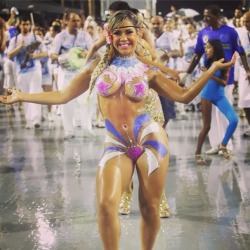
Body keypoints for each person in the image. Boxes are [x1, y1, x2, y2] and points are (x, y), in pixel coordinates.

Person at [0, 10, 236, 250]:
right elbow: (62, 95)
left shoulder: (149, 72)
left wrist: (211, 69)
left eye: (129, 32)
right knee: (105, 205)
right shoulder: (97, 67)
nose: (124, 37)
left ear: (138, 34)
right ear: (109, 36)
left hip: (151, 141)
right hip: (116, 145)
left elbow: (184, 96)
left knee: (150, 207)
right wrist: (21, 95)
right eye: (118, 32)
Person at [186, 4, 250, 155]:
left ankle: (226, 145)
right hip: (208, 80)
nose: (206, 18)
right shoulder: (203, 33)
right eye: (205, 15)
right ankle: (216, 144)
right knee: (212, 117)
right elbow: (197, 55)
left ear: (218, 17)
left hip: (225, 79)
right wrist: (187, 74)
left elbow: (240, 52)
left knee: (223, 113)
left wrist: (247, 70)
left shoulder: (230, 32)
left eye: (209, 15)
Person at [194, 39, 238, 165]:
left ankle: (223, 145)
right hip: (207, 95)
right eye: (205, 48)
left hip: (219, 96)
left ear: (215, 48)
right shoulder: (207, 62)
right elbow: (204, 79)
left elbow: (224, 83)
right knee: (206, 126)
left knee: (234, 120)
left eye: (208, 48)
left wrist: (209, 74)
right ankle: (197, 153)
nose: (206, 50)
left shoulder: (223, 62)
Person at [7, 15, 47, 129]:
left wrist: (35, 55)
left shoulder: (36, 38)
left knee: (35, 93)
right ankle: (29, 120)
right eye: (23, 24)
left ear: (30, 25)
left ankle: (36, 119)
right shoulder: (15, 39)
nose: (25, 26)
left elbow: (45, 53)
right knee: (25, 96)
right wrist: (19, 47)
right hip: (21, 72)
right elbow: (9, 55)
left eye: (27, 24)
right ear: (20, 25)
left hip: (35, 70)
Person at [235, 11, 250, 137]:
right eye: (244, 21)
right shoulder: (239, 32)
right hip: (244, 71)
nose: (246, 24)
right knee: (244, 101)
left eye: (248, 21)